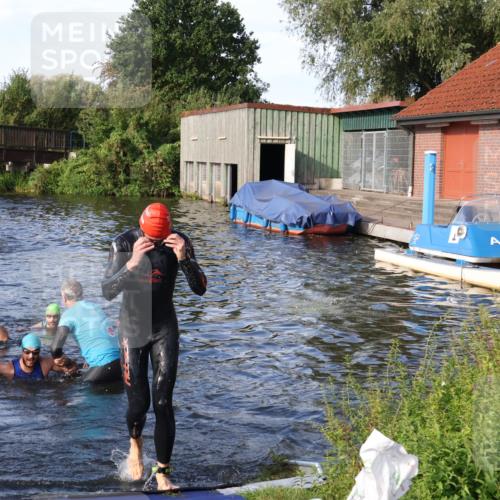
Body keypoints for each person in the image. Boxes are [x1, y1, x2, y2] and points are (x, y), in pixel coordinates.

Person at [102, 202, 207, 491]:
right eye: (153, 239)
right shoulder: (123, 242)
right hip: (132, 328)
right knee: (139, 403)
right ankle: (135, 445)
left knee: (163, 402)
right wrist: (132, 264)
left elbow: (200, 288)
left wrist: (184, 259)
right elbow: (107, 290)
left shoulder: (180, 241)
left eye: (161, 239)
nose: (158, 244)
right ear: (141, 227)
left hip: (163, 326)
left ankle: (162, 472)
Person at [51, 279, 122, 383]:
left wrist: (69, 364)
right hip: (121, 365)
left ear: (64, 297)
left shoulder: (68, 315)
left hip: (102, 368)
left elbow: (55, 348)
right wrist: (88, 360)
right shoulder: (95, 307)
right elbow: (99, 334)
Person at [0, 333, 77, 380]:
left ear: (40, 351)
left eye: (35, 352)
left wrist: (67, 362)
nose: (31, 356)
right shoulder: (10, 369)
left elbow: (73, 369)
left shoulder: (45, 364)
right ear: (22, 351)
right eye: (27, 352)